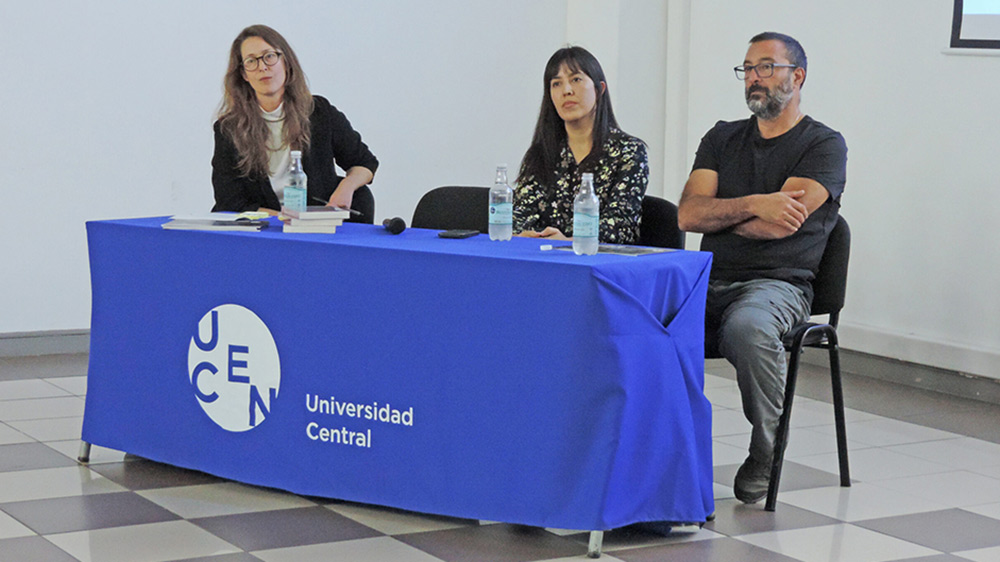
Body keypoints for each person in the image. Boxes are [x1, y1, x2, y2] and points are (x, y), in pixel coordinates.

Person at [677, 32, 847, 503]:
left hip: (780, 285)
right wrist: (755, 204)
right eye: (748, 68)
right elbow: (688, 215)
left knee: (747, 329)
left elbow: (781, 227)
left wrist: (724, 214)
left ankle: (769, 447)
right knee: (643, 321)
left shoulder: (824, 145)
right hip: (708, 279)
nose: (754, 77)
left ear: (799, 76)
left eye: (767, 67)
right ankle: (661, 452)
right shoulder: (721, 136)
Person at [212, 25, 378, 216]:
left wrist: (346, 187)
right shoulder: (229, 129)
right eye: (251, 61)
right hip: (265, 227)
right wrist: (283, 218)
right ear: (244, 75)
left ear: (286, 62)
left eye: (269, 56)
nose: (262, 67)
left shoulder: (318, 112)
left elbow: (365, 163)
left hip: (318, 225)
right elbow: (229, 201)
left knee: (362, 198)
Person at [513, 46, 648, 244]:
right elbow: (519, 218)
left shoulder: (628, 152)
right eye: (556, 84)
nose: (566, 91)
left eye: (576, 80)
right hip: (543, 260)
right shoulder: (540, 153)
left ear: (599, 89)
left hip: (600, 265)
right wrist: (526, 236)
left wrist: (568, 241)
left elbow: (620, 227)